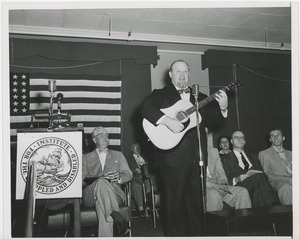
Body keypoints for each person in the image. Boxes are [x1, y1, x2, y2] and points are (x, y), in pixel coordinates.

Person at [140, 59, 228, 236]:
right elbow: (145, 108)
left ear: (189, 74)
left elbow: (214, 121)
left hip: (197, 160)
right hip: (171, 160)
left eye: (185, 72)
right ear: (171, 75)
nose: (182, 75)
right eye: (178, 71)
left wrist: (224, 108)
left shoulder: (200, 98)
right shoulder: (161, 94)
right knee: (175, 208)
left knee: (197, 205)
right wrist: (167, 120)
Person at [82, 126, 133, 237]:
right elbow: (81, 180)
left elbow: (128, 173)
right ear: (94, 140)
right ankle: (118, 219)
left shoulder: (118, 155)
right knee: (101, 182)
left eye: (106, 135)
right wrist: (100, 177)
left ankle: (117, 221)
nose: (105, 138)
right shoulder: (85, 158)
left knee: (102, 204)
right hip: (91, 193)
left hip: (114, 193)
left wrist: (119, 177)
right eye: (101, 136)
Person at [221, 130, 280, 208]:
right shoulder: (225, 159)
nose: (240, 139)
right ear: (231, 141)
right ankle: (276, 207)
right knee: (259, 178)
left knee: (257, 192)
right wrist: (237, 179)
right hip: (239, 187)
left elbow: (264, 175)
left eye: (242, 138)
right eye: (236, 137)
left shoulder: (254, 157)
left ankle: (264, 216)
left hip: (256, 186)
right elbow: (224, 180)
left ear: (245, 141)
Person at [206, 147, 251, 211]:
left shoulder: (213, 151)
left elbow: (221, 174)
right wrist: (216, 187)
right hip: (203, 187)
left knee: (242, 192)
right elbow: (194, 181)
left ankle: (243, 220)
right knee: (214, 196)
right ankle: (214, 221)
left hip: (217, 185)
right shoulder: (189, 152)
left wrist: (224, 185)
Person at [258, 127, 292, 205]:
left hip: (294, 180)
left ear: (283, 138)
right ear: (270, 139)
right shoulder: (264, 154)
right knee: (286, 188)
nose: (275, 137)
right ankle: (290, 215)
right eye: (272, 136)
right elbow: (267, 175)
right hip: (278, 183)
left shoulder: (292, 153)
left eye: (278, 135)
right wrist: (288, 180)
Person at [126, 142, 148, 217]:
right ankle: (141, 208)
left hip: (146, 178)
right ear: (131, 149)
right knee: (136, 186)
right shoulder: (128, 158)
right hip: (135, 177)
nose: (137, 149)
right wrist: (135, 170)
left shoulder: (145, 157)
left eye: (138, 147)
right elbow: (126, 170)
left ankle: (151, 205)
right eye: (135, 148)